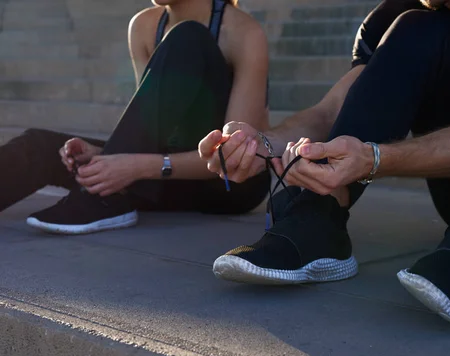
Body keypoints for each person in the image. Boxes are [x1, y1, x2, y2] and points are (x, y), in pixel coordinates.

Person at [200, 0, 450, 330]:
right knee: (413, 27)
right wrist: (257, 141)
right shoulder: (395, 16)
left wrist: (376, 158)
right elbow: (329, 112)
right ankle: (319, 217)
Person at [0, 0, 271, 235]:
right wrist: (109, 155)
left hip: (229, 185)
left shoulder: (244, 33)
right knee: (38, 148)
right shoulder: (144, 26)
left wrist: (134, 166)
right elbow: (150, 126)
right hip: (168, 173)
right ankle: (109, 197)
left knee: (189, 37)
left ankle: (102, 199)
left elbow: (235, 160)